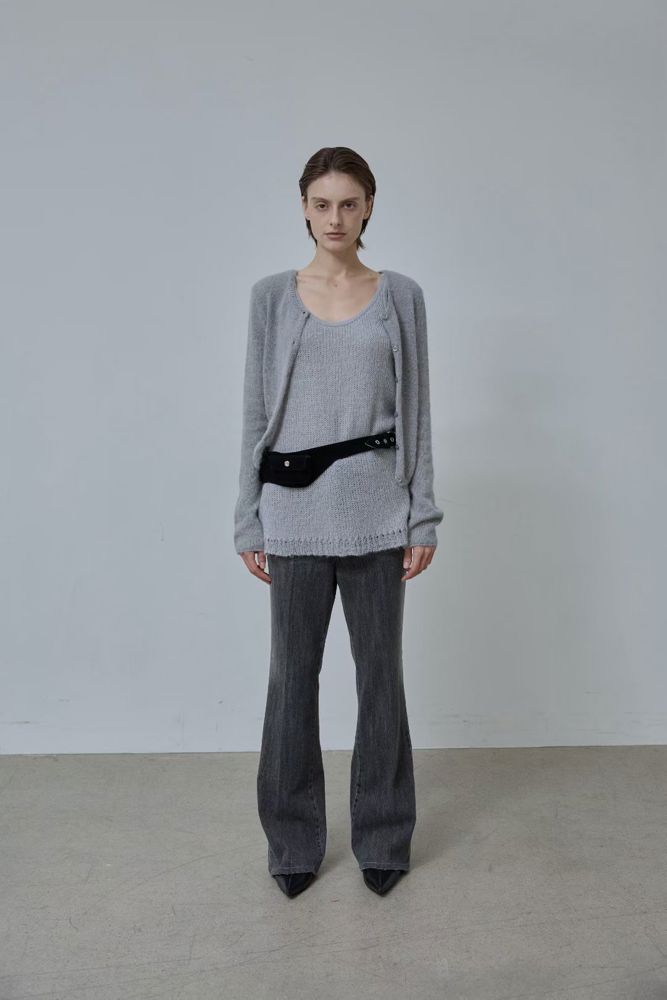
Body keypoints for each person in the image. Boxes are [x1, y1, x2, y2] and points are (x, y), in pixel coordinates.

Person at [233, 146, 444, 898]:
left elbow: (416, 411)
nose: (334, 218)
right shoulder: (271, 297)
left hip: (379, 513)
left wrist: (421, 515)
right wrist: (248, 518)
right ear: (302, 207)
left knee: (380, 679)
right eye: (321, 204)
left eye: (348, 204)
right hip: (293, 515)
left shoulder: (400, 296)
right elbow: (255, 413)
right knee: (291, 680)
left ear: (368, 207)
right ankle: (292, 842)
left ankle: (383, 835)